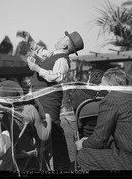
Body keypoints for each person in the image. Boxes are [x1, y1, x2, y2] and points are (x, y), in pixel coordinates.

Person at [19, 30, 84, 170]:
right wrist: (29, 38)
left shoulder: (62, 60)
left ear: (66, 46)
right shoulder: (55, 55)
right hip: (41, 94)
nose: (59, 38)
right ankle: (50, 162)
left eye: (63, 38)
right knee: (42, 125)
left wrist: (37, 68)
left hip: (49, 97)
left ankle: (64, 165)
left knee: (53, 126)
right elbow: (39, 50)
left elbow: (57, 76)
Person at [75, 68, 132, 171]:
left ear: (109, 85)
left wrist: (82, 144)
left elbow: (99, 140)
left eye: (102, 83)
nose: (100, 86)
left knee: (84, 155)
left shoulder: (111, 99)